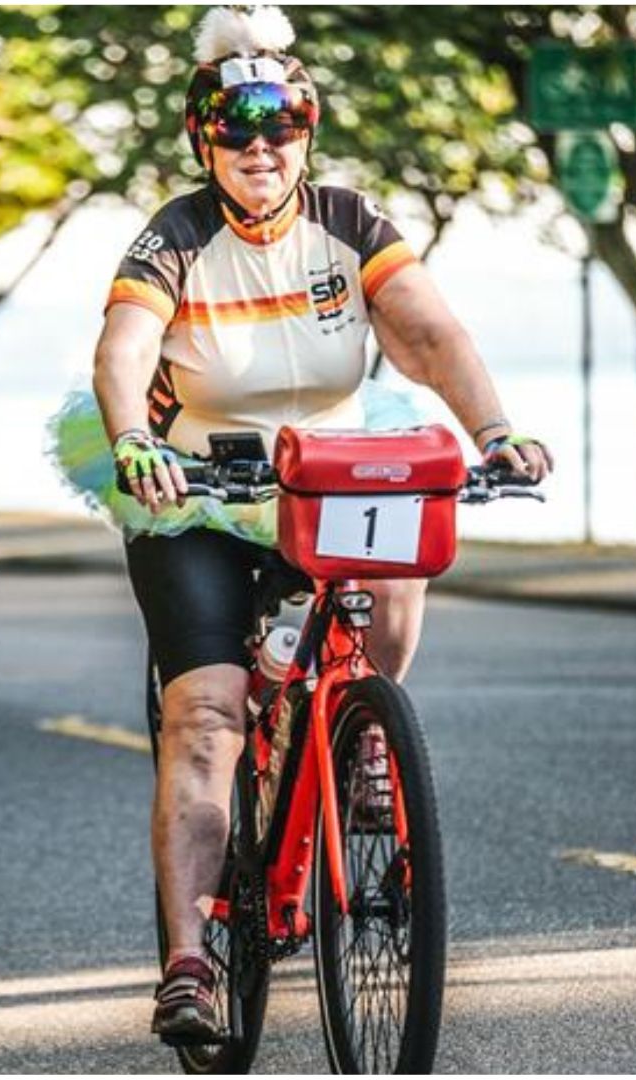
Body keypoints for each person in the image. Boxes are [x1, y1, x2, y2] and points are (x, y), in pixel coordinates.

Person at [89, 6, 552, 1044]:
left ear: (309, 129)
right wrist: (132, 438)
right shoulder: (177, 233)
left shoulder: (349, 222)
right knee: (208, 718)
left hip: (326, 479)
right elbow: (124, 347)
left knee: (400, 550)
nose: (262, 149)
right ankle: (191, 965)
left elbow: (430, 332)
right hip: (201, 492)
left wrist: (495, 429)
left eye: (284, 127)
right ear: (203, 138)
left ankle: (359, 737)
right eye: (237, 131)